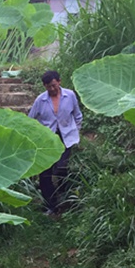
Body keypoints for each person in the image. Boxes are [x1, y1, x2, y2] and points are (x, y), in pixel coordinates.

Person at [28, 70, 83, 216]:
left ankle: (66, 200)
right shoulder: (40, 100)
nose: (52, 89)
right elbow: (30, 119)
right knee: (45, 173)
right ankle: (51, 205)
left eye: (53, 85)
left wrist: (76, 132)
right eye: (48, 87)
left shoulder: (70, 95)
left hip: (66, 138)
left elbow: (77, 116)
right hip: (47, 140)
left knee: (61, 169)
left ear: (59, 82)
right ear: (44, 86)